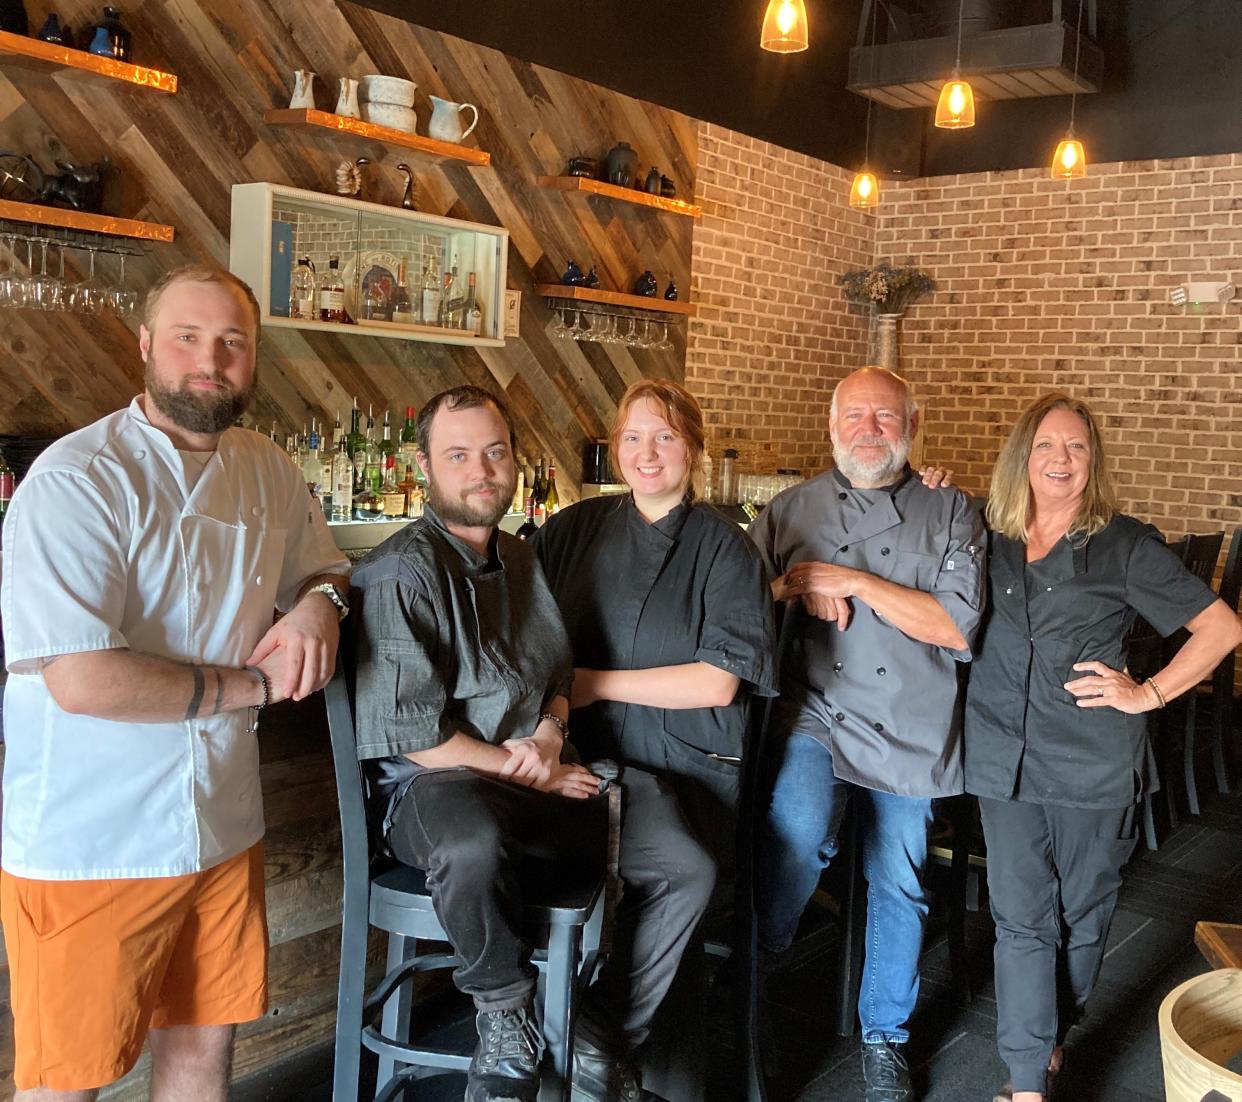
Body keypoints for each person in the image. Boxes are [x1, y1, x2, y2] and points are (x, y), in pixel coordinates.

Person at [0, 265, 350, 1102]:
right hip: (93, 841)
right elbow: (82, 679)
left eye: (232, 342)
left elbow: (323, 568)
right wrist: (254, 688)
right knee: (68, 1084)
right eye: (189, 338)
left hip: (222, 825)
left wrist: (319, 608)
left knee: (201, 1060)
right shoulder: (75, 479)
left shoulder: (266, 466)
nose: (212, 360)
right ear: (147, 346)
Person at [963, 393, 1242, 1102]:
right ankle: (1027, 1080)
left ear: (1094, 463)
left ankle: (1053, 1037)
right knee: (1021, 916)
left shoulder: (1123, 544)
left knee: (1081, 913)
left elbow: (1221, 629)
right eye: (1048, 446)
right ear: (1022, 455)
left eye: (1077, 448)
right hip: (1001, 753)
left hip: (1092, 758)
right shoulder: (982, 534)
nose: (1061, 460)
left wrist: (1148, 693)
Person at [350, 386, 619, 1102]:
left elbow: (557, 674)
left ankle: (578, 1001)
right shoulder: (401, 571)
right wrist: (530, 771)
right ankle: (506, 1011)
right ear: (426, 468)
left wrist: (551, 734)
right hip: (434, 790)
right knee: (473, 842)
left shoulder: (522, 558)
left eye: (495, 452)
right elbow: (414, 736)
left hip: (528, 776)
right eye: (459, 455)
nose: (482, 470)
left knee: (645, 822)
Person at [531, 378, 777, 1101]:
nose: (648, 452)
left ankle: (603, 1045)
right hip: (581, 761)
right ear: (615, 448)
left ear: (692, 451)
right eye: (634, 437)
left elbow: (719, 683)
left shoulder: (726, 551)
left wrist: (594, 683)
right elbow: (511, 607)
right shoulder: (574, 528)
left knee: (675, 884)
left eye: (666, 437)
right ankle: (594, 1052)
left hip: (689, 761)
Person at [749, 366, 987, 1102]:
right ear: (831, 427)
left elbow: (955, 628)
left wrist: (851, 583)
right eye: (854, 417)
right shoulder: (788, 510)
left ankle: (884, 1035)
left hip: (911, 720)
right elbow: (738, 610)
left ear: (912, 428)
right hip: (816, 707)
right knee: (795, 825)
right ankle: (758, 974)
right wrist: (794, 586)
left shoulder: (953, 511)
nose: (868, 431)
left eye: (885, 418)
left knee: (900, 878)